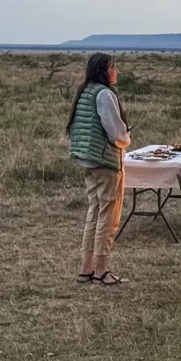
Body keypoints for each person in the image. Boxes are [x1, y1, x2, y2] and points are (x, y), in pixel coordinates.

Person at [67, 53, 131, 286]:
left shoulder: (85, 91)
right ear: (104, 70)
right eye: (114, 67)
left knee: (94, 214)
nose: (117, 71)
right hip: (105, 163)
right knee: (108, 217)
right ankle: (102, 270)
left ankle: (86, 268)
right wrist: (126, 138)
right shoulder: (104, 94)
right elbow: (116, 133)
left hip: (88, 161)